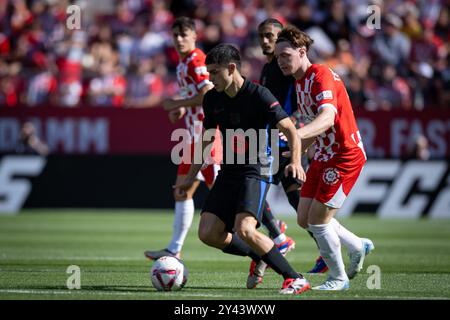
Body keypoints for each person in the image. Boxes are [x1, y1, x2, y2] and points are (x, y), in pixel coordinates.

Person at [176, 44, 311, 295]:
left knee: (245, 229)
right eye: (208, 73)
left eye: (214, 72)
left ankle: (295, 278)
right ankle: (260, 255)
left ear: (231, 68)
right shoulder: (212, 99)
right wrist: (190, 176)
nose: (210, 78)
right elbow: (206, 141)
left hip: (256, 169)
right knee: (208, 233)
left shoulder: (259, 95)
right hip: (229, 171)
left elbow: (290, 130)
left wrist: (294, 161)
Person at [275, 25, 374, 290]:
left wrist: (296, 135)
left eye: (285, 55)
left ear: (302, 52)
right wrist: (296, 151)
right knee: (304, 218)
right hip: (324, 154)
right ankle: (357, 245)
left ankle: (338, 278)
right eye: (277, 57)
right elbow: (313, 127)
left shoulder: (320, 75)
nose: (280, 61)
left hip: (345, 154)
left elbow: (327, 117)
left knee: (319, 220)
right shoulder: (299, 82)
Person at [247, 19, 327, 289]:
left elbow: (300, 96)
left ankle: (279, 237)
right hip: (270, 140)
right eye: (262, 36)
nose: (265, 41)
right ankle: (276, 234)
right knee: (263, 193)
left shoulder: (285, 66)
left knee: (294, 199)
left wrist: (298, 125)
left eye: (270, 35)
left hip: (286, 140)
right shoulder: (269, 67)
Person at [144, 17, 217, 260]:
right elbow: (195, 95)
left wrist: (178, 103)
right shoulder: (182, 63)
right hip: (192, 138)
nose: (178, 39)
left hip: (206, 136)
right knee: (182, 192)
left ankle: (272, 236)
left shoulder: (196, 60)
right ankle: (174, 249)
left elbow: (208, 94)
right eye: (175, 35)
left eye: (183, 34)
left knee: (223, 195)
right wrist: (183, 109)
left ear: (195, 36)